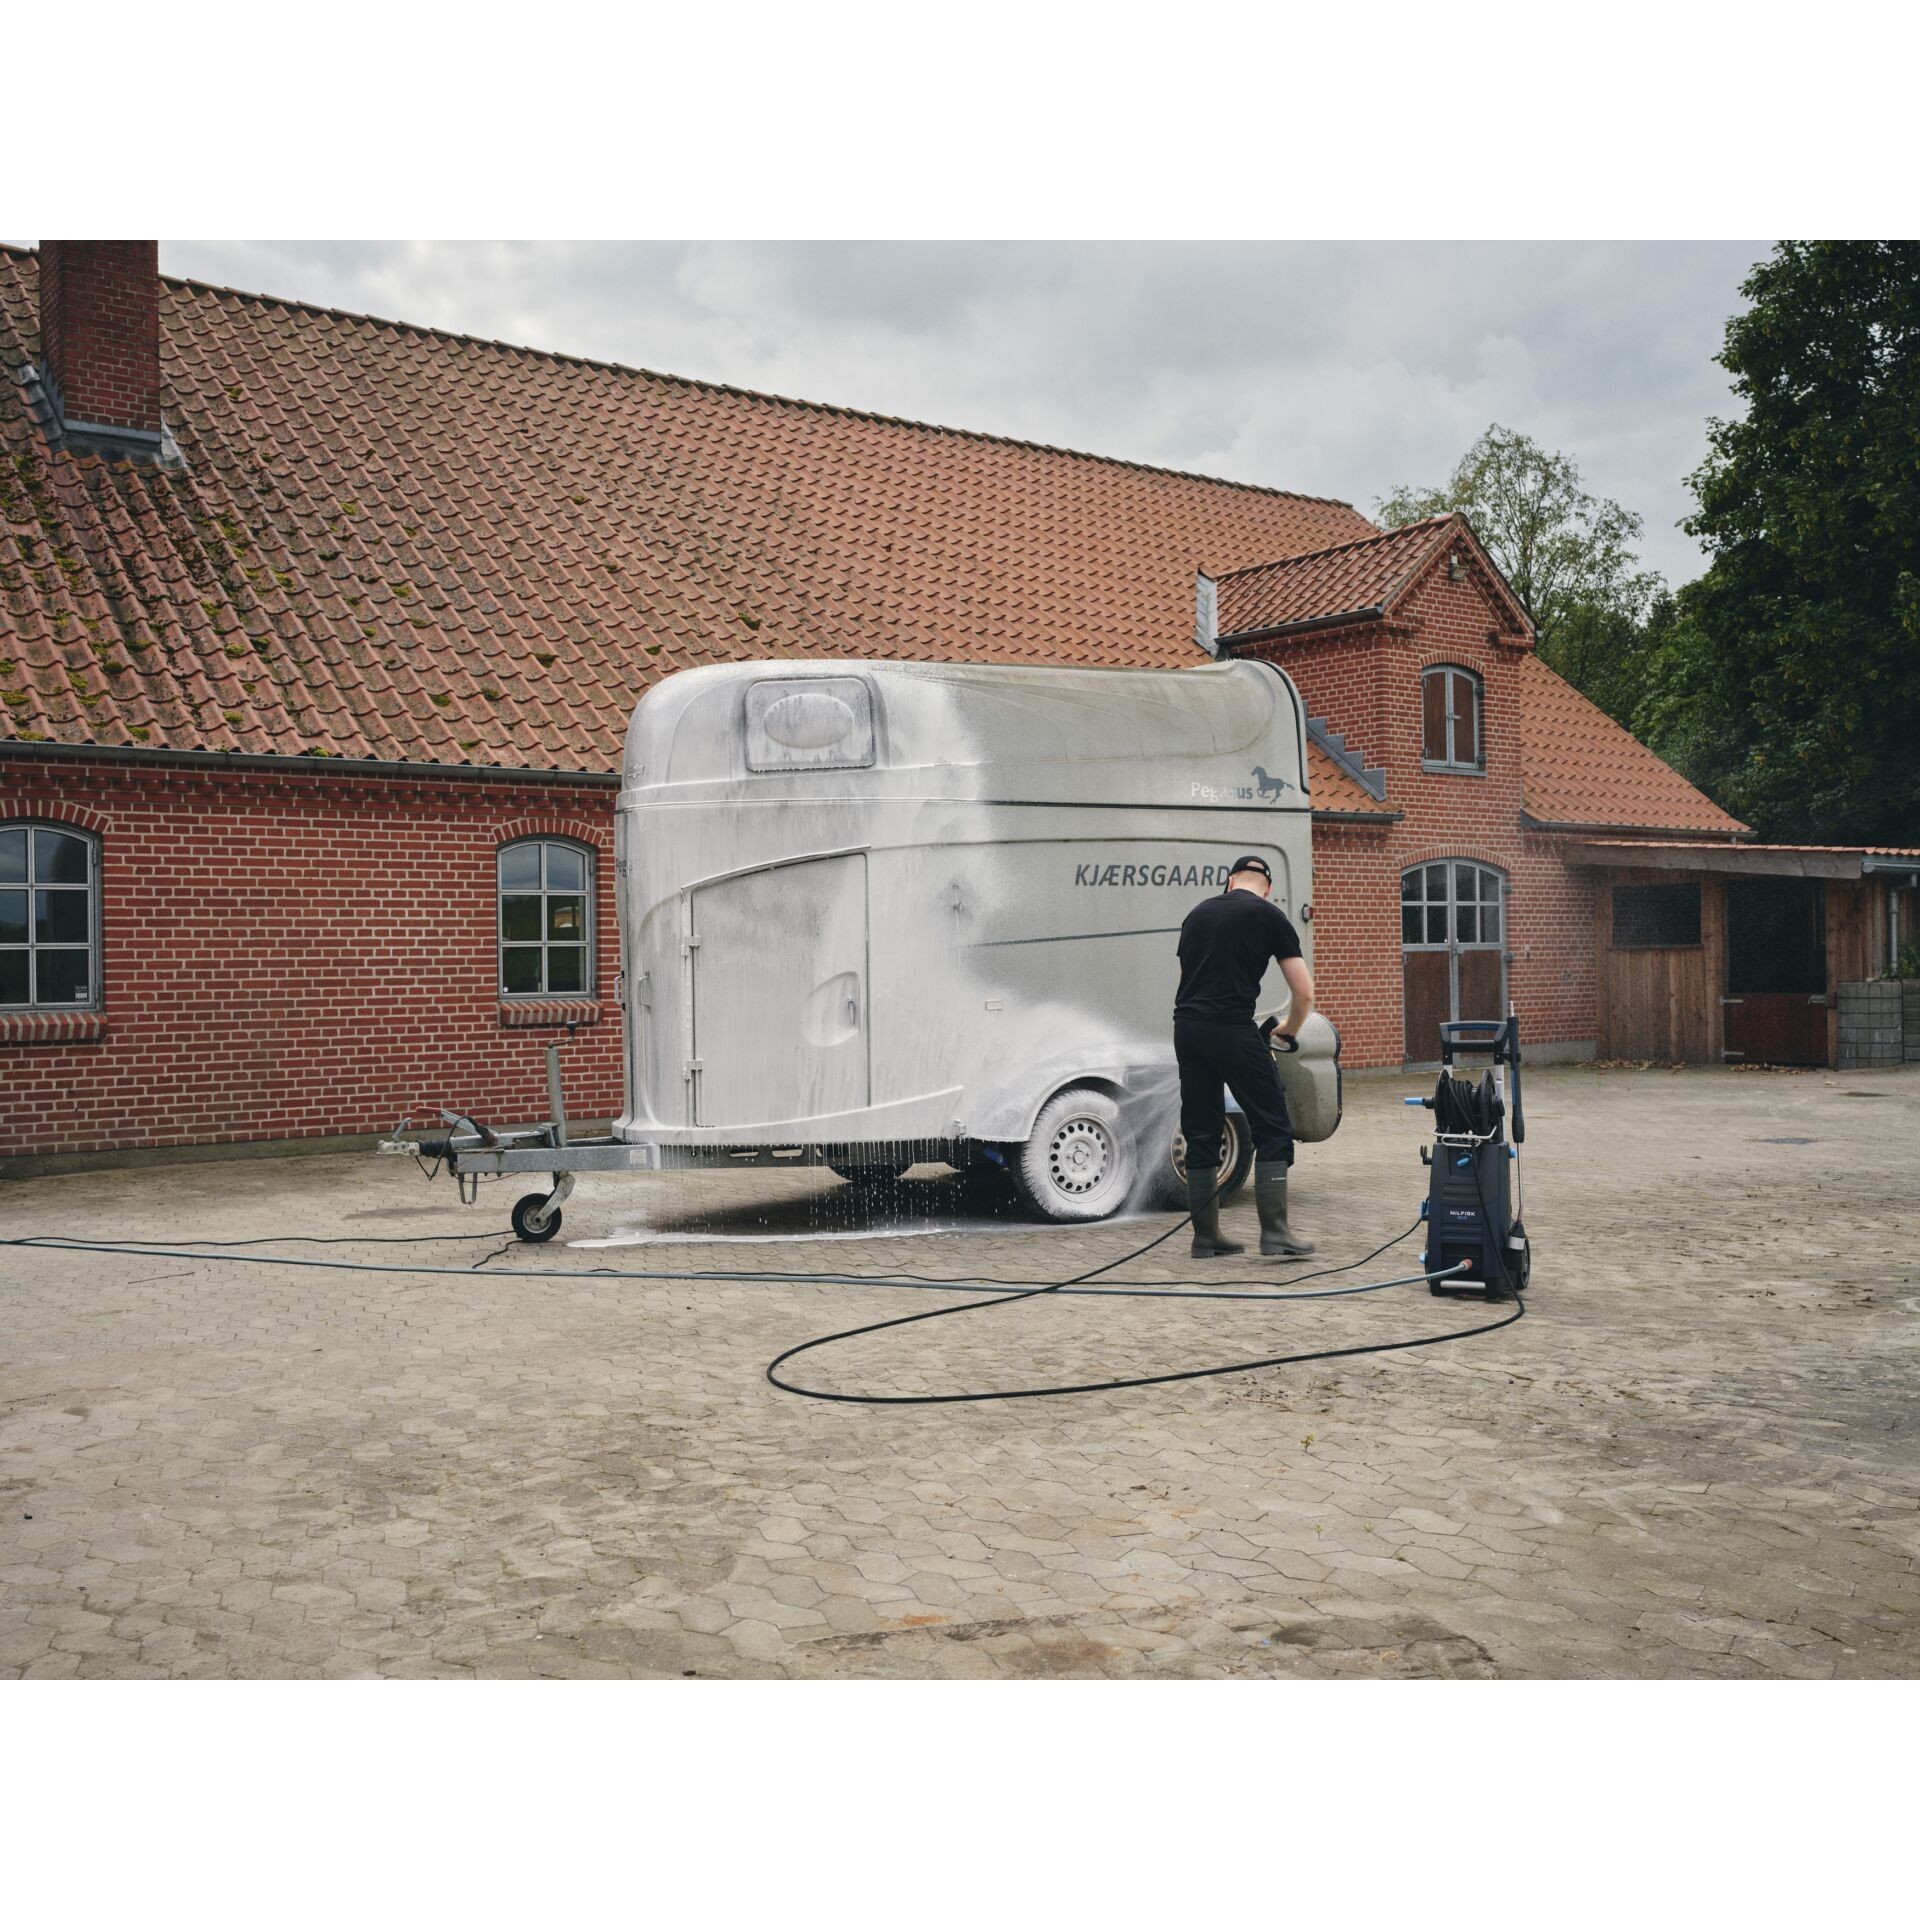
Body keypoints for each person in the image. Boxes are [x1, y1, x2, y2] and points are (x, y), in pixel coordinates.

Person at [1173, 854, 1316, 1259]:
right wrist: (1290, 1028)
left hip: (1187, 1029)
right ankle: (1275, 1234)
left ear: (1230, 881)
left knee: (1201, 1128)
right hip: (1232, 1029)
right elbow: (1304, 993)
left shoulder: (1197, 915)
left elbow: (1185, 981)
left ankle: (1206, 1237)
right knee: (1272, 1124)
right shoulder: (1270, 916)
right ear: (1267, 889)